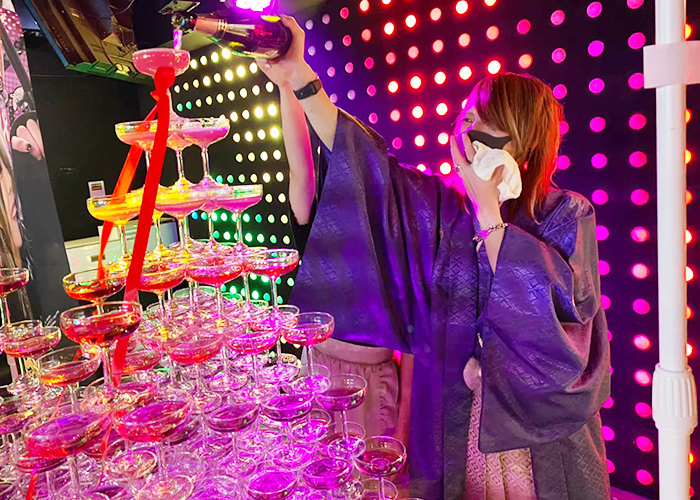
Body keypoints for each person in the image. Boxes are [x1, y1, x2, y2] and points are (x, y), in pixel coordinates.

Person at [260, 15, 611, 500]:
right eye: (465, 119)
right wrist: (300, 77)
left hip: (537, 439)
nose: (467, 133)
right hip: (461, 428)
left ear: (523, 140)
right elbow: (369, 168)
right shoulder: (446, 210)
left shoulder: (565, 214)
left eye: (485, 123)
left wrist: (490, 211)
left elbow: (558, 328)